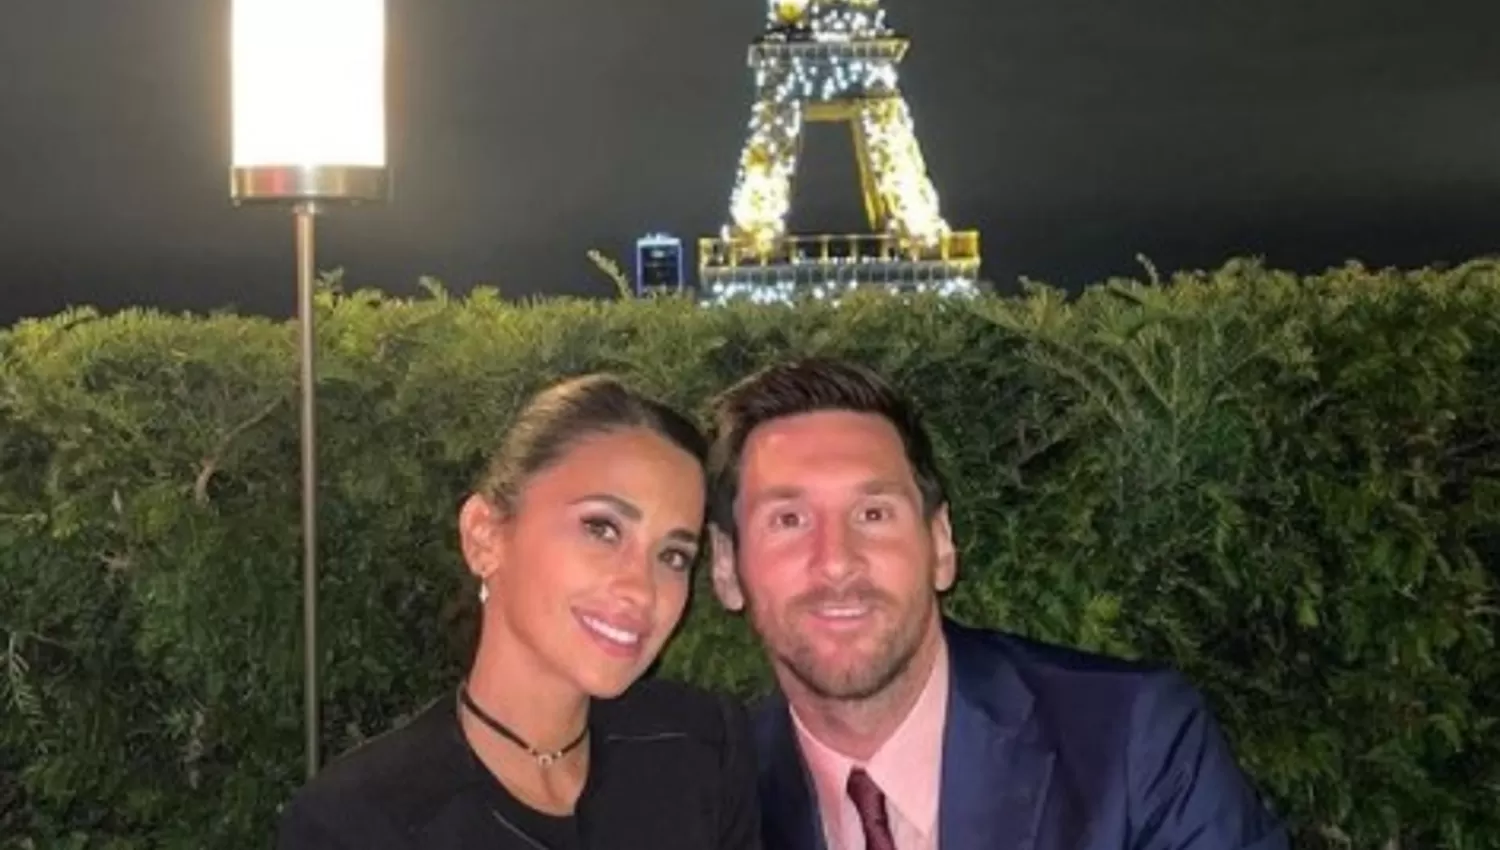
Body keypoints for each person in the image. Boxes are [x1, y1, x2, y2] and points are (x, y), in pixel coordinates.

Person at [703, 357, 1289, 850]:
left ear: (940, 545)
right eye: (789, 520)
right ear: (728, 568)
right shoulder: (712, 802)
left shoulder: (1132, 744)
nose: (836, 560)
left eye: (873, 514)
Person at [276, 375, 761, 850]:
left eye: (673, 556)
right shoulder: (359, 822)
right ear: (484, 536)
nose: (641, 588)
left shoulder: (700, 751)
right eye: (601, 529)